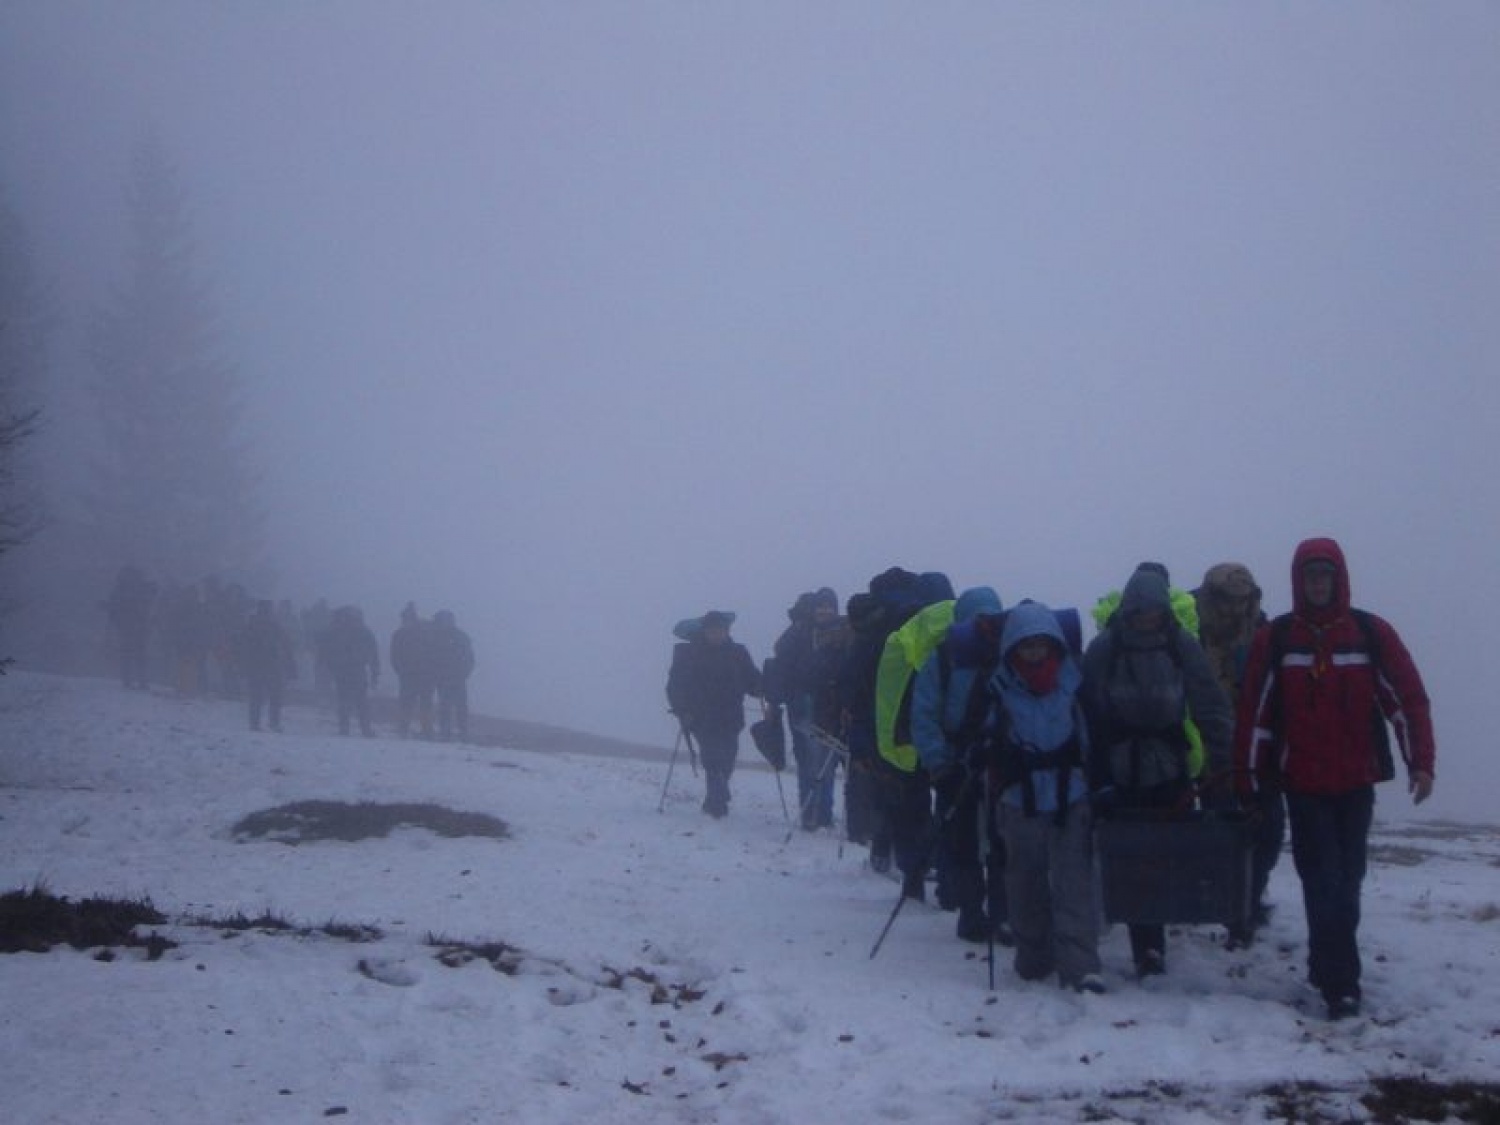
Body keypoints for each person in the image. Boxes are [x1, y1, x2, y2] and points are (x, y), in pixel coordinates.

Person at [1236, 537, 1435, 1020]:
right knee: (1321, 878)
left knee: (1348, 882)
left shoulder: (1369, 633)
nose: (1318, 584)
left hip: (1355, 781)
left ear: (1339, 578)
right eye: (1310, 576)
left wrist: (1421, 762)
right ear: (1298, 581)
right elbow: (1255, 713)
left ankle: (1327, 966)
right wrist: (1248, 777)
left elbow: (1405, 699)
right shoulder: (1277, 639)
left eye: (1325, 575)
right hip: (1302, 784)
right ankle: (1342, 985)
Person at [1082, 564, 1233, 979]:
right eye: (1141, 612)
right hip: (1120, 766)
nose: (1148, 619)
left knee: (1166, 852)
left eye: (1154, 612)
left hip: (1170, 763)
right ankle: (1146, 946)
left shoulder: (1180, 645)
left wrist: (1225, 761)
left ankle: (1154, 936)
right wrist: (1093, 773)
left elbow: (1209, 703)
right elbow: (1086, 712)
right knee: (1132, 854)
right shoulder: (1106, 649)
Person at [984, 600, 1102, 993]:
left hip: (1072, 796)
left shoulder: (1074, 682)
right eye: (1026, 645)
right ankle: (1033, 958)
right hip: (1020, 800)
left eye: (1041, 644)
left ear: (1054, 644)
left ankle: (1080, 966)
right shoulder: (999, 689)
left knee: (1075, 884)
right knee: (1025, 884)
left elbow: (1090, 735)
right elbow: (983, 736)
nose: (1034, 652)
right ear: (1012, 648)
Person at [910, 586, 1006, 942]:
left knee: (997, 838)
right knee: (965, 838)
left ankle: (992, 911)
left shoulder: (999, 651)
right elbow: (925, 713)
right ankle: (974, 911)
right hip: (959, 761)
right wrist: (939, 761)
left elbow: (924, 713)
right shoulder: (944, 656)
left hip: (994, 761)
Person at [1195, 562, 1280, 944]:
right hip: (1205, 748)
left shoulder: (1266, 632)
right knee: (1218, 827)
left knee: (1269, 829)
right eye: (1227, 600)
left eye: (1241, 600)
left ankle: (1247, 899)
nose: (1233, 608)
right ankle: (1232, 907)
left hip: (1258, 748)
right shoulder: (1190, 632)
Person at [665, 610, 762, 818]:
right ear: (705, 631)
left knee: (728, 757)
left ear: (727, 631)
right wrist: (681, 707)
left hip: (731, 715)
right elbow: (675, 684)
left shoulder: (738, 653)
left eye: (720, 630)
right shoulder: (689, 653)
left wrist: (764, 687)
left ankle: (715, 796)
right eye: (712, 630)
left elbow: (751, 679)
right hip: (700, 716)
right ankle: (718, 801)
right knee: (712, 756)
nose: (716, 634)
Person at [319, 605, 380, 737]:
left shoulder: (336, 630)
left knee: (344, 699)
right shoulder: (363, 631)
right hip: (358, 669)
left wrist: (328, 669)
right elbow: (374, 654)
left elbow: (325, 652)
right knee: (361, 701)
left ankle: (344, 728)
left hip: (342, 670)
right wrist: (375, 673)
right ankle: (365, 729)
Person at [236, 600, 295, 732]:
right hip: (266, 664)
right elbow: (286, 644)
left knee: (260, 696)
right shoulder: (268, 625)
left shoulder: (253, 625)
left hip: (261, 665)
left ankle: (257, 723)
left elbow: (285, 643)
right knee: (270, 695)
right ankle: (271, 723)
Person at [104, 565, 156, 690]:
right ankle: (138, 681)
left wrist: (114, 620)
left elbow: (113, 607)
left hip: (130, 626)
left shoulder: (122, 588)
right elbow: (152, 596)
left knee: (130, 654)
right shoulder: (134, 587)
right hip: (136, 625)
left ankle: (131, 681)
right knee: (138, 654)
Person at [390, 603, 436, 739]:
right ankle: (421, 729)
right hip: (418, 674)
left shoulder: (401, 634)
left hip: (415, 674)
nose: (403, 621)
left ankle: (415, 728)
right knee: (419, 702)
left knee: (413, 702)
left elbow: (395, 655)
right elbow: (395, 656)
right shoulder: (424, 632)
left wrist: (400, 669)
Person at [430, 610, 475, 741]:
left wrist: (464, 673)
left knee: (460, 705)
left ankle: (463, 730)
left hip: (457, 677)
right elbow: (432, 657)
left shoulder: (461, 637)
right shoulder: (437, 636)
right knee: (445, 705)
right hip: (443, 677)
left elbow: (469, 658)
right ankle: (445, 730)